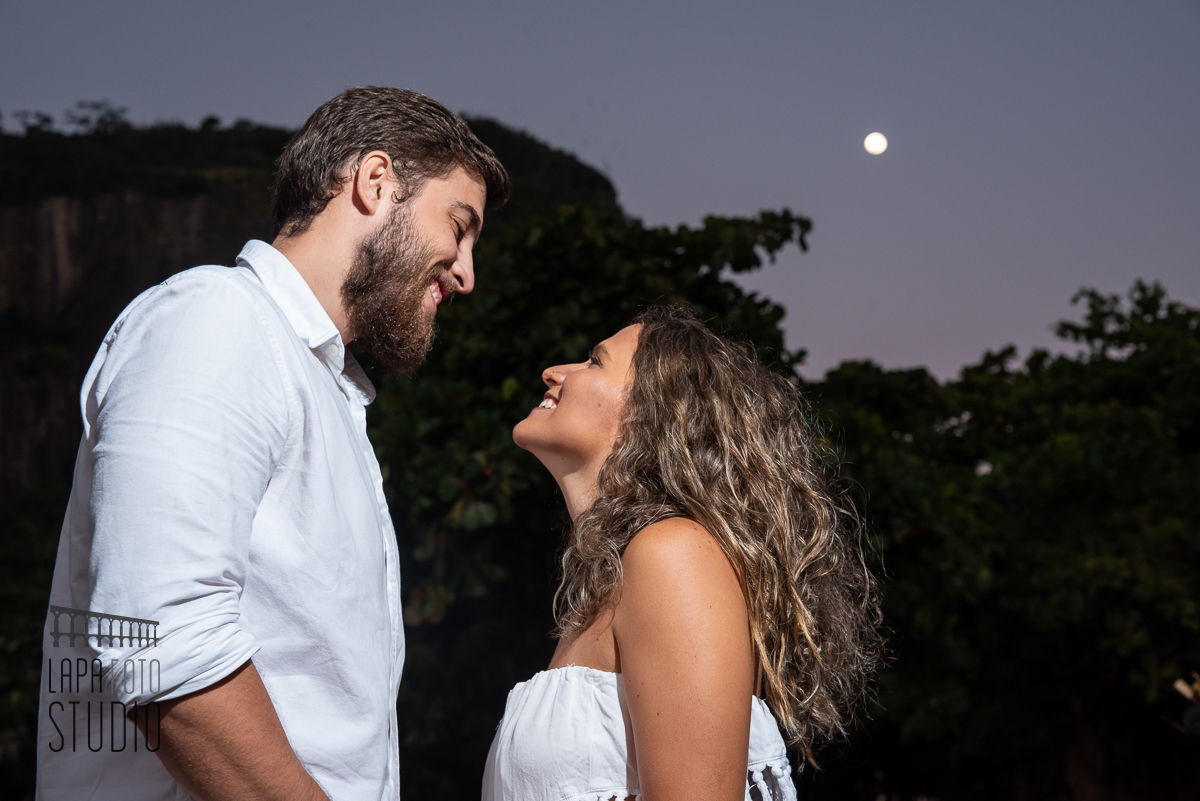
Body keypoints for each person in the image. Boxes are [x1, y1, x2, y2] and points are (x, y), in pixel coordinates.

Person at [36, 87, 509, 801]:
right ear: (375, 181)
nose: (467, 272)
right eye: (459, 226)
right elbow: (164, 643)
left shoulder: (320, 383)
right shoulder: (219, 318)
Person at [484, 307, 880, 801]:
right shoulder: (614, 580)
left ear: (650, 416)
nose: (553, 372)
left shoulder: (672, 555)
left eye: (594, 361)